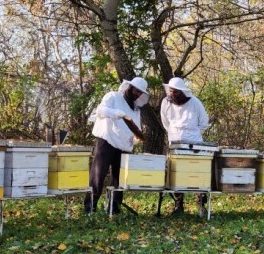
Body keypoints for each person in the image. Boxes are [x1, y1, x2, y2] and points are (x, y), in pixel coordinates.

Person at [85, 76, 149, 214]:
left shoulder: (136, 109)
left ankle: (114, 208)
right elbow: (100, 110)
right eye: (136, 90)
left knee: (119, 178)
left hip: (124, 145)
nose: (137, 94)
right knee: (98, 175)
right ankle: (90, 207)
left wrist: (136, 139)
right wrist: (114, 113)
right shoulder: (113, 96)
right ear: (129, 87)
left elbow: (136, 128)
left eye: (140, 92)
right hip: (107, 140)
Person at [160, 76, 210, 217]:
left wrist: (192, 135)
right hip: (175, 143)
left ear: (182, 91)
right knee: (176, 174)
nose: (172, 94)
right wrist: (175, 133)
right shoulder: (165, 103)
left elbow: (204, 123)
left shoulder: (195, 102)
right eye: (171, 91)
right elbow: (165, 122)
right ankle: (178, 205)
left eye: (175, 92)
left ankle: (201, 204)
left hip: (194, 143)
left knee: (197, 173)